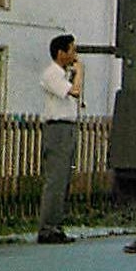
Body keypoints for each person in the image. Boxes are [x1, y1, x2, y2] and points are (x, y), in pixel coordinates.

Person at [37, 33, 82, 244]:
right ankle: (47, 227)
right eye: (71, 50)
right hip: (57, 129)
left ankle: (56, 224)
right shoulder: (52, 74)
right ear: (60, 53)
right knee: (55, 178)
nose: (75, 54)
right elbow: (74, 91)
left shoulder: (63, 74)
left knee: (63, 178)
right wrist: (80, 72)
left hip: (68, 127)